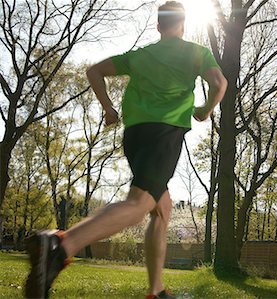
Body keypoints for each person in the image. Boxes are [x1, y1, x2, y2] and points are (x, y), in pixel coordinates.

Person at [24, 1, 227, 298]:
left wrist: (108, 109)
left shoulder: (140, 56)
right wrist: (206, 110)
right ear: (183, 25)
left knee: (162, 207)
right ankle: (58, 246)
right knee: (139, 205)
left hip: (134, 136)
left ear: (159, 27)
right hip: (164, 133)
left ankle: (156, 290)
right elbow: (219, 83)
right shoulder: (196, 52)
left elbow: (94, 71)